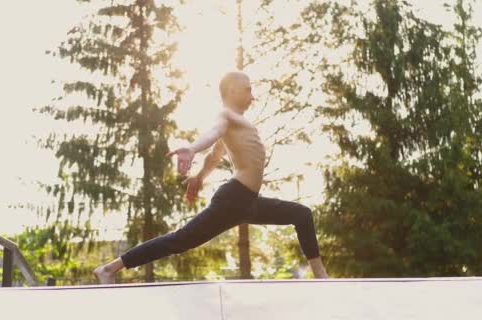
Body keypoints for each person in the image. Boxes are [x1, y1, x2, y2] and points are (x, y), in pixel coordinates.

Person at [93, 71, 328, 284]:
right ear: (233, 91)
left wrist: (199, 178)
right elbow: (212, 132)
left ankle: (321, 277)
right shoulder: (226, 116)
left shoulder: (238, 123)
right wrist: (192, 148)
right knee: (181, 240)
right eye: (248, 90)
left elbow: (215, 155)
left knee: (301, 214)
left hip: (249, 202)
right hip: (233, 200)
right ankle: (110, 268)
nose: (252, 96)